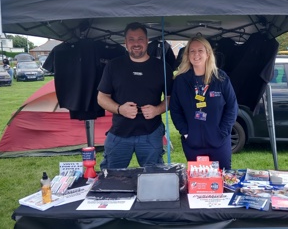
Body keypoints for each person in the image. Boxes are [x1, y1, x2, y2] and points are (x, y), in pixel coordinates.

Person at [97, 22, 174, 169]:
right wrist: (120, 109)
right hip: (119, 133)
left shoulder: (162, 67)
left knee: (154, 179)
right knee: (111, 178)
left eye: (140, 39)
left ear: (147, 41)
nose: (136, 43)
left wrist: (157, 110)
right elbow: (101, 97)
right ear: (125, 43)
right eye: (131, 39)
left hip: (151, 133)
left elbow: (171, 98)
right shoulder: (114, 66)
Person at [169, 36, 238, 170]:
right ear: (187, 55)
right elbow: (175, 109)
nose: (196, 55)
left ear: (208, 54)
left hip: (219, 142)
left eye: (200, 50)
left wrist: (222, 132)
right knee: (198, 183)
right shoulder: (181, 80)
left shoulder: (221, 78)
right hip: (193, 144)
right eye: (192, 51)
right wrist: (185, 132)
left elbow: (232, 107)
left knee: (221, 180)